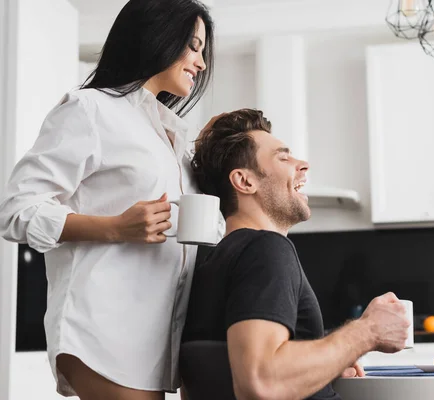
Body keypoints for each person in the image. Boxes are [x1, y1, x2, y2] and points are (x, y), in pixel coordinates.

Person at [0, 1, 220, 398]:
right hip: (104, 330)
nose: (200, 63)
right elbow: (18, 210)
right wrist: (115, 227)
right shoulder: (90, 109)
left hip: (154, 337)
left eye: (202, 50)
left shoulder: (171, 137)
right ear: (158, 35)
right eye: (193, 45)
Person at [183, 109, 412, 400]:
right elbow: (260, 381)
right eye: (283, 157)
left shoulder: (212, 261)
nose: (303, 164)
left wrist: (326, 362)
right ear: (244, 181)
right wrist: (367, 332)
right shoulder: (265, 249)